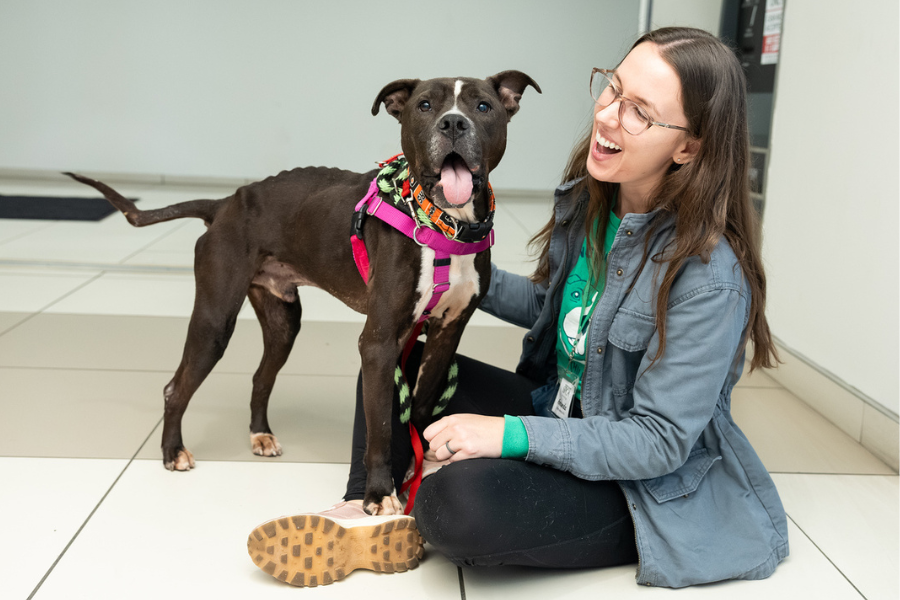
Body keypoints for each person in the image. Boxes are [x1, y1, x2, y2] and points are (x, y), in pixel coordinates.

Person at [248, 26, 789, 589]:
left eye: (640, 114)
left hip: (644, 488)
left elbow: (657, 440)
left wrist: (507, 437)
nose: (608, 116)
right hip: (560, 410)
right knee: (393, 363)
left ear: (689, 146)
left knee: (458, 506)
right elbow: (560, 308)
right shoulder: (595, 202)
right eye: (613, 89)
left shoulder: (709, 277)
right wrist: (439, 273)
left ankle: (432, 492)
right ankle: (367, 506)